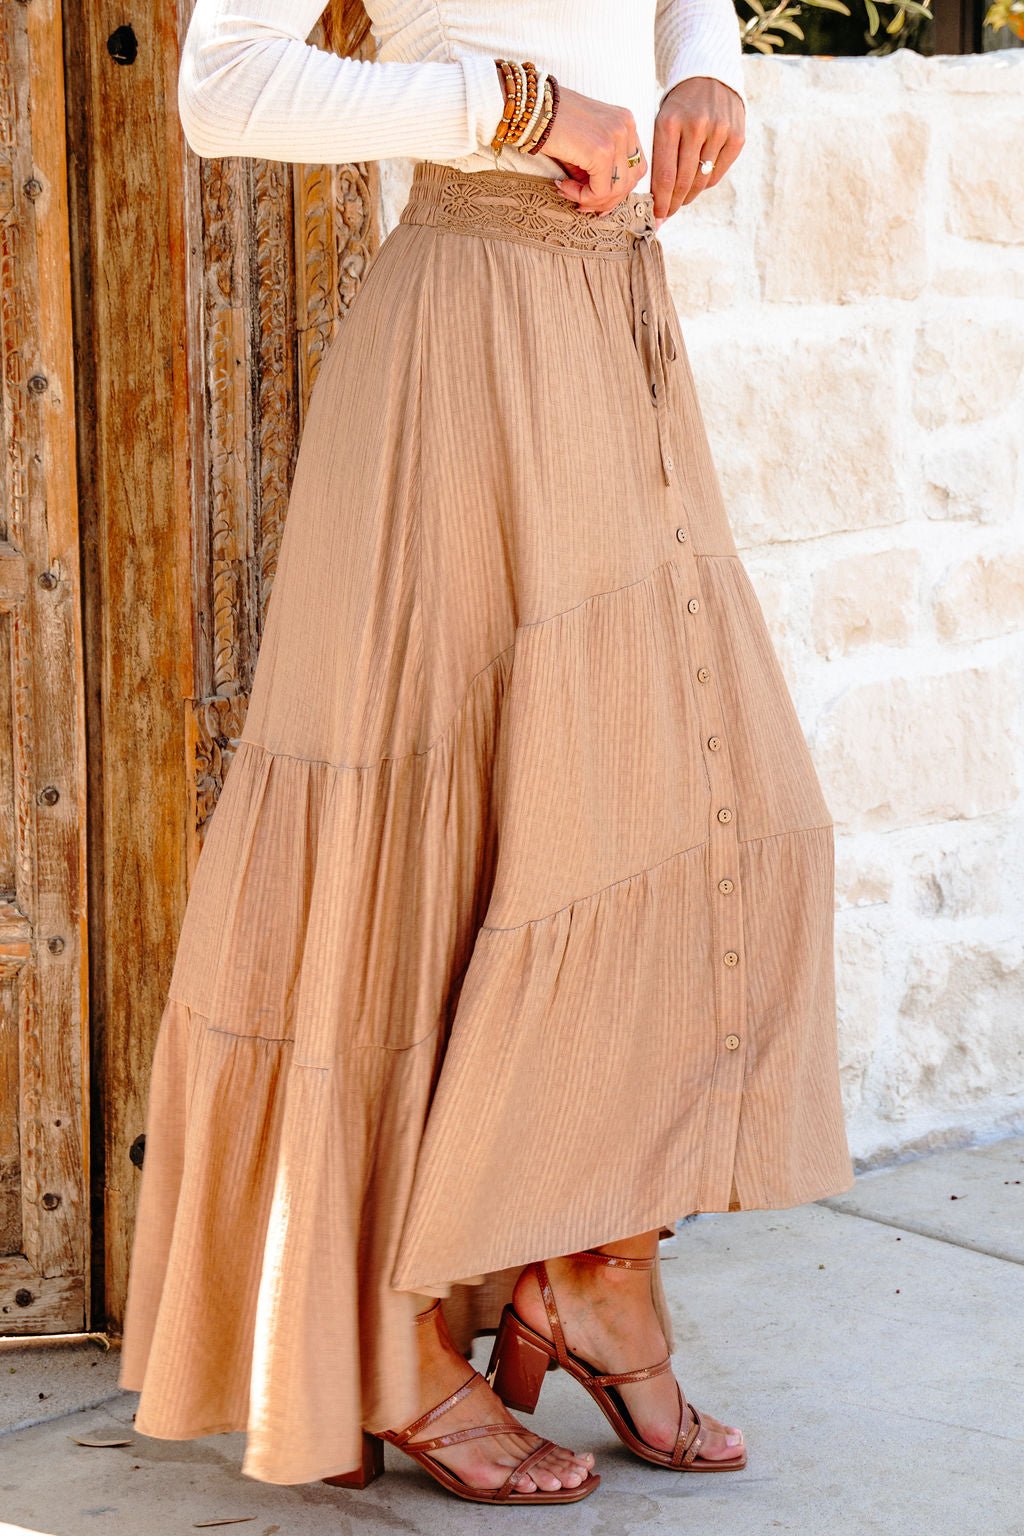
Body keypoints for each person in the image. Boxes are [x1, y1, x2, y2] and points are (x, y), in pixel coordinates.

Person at [117, 0, 855, 1509]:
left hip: (610, 323)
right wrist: (520, 110)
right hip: (464, 342)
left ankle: (595, 1272)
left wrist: (702, 59)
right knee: (427, 845)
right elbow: (224, 86)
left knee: (682, 811)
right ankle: (387, 1353)